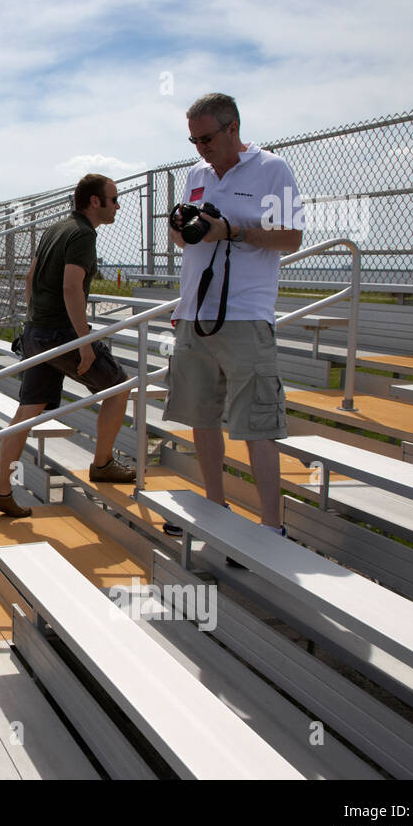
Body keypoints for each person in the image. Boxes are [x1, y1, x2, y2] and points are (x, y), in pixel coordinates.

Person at [164, 92, 304, 538]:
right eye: (193, 141)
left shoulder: (272, 169)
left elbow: (292, 238)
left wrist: (235, 230)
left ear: (232, 128)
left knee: (256, 425)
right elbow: (185, 242)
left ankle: (271, 527)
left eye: (206, 138)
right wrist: (182, 227)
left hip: (245, 314)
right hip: (194, 311)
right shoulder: (196, 173)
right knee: (202, 418)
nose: (201, 148)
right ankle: (214, 508)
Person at [0, 173, 136, 518]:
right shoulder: (82, 234)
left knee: (26, 412)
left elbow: (30, 278)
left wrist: (33, 322)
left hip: (37, 331)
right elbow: (71, 287)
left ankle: (1, 489)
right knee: (119, 386)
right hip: (59, 333)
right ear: (94, 201)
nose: (118, 205)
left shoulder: (56, 229)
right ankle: (103, 463)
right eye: (113, 199)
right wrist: (84, 343)